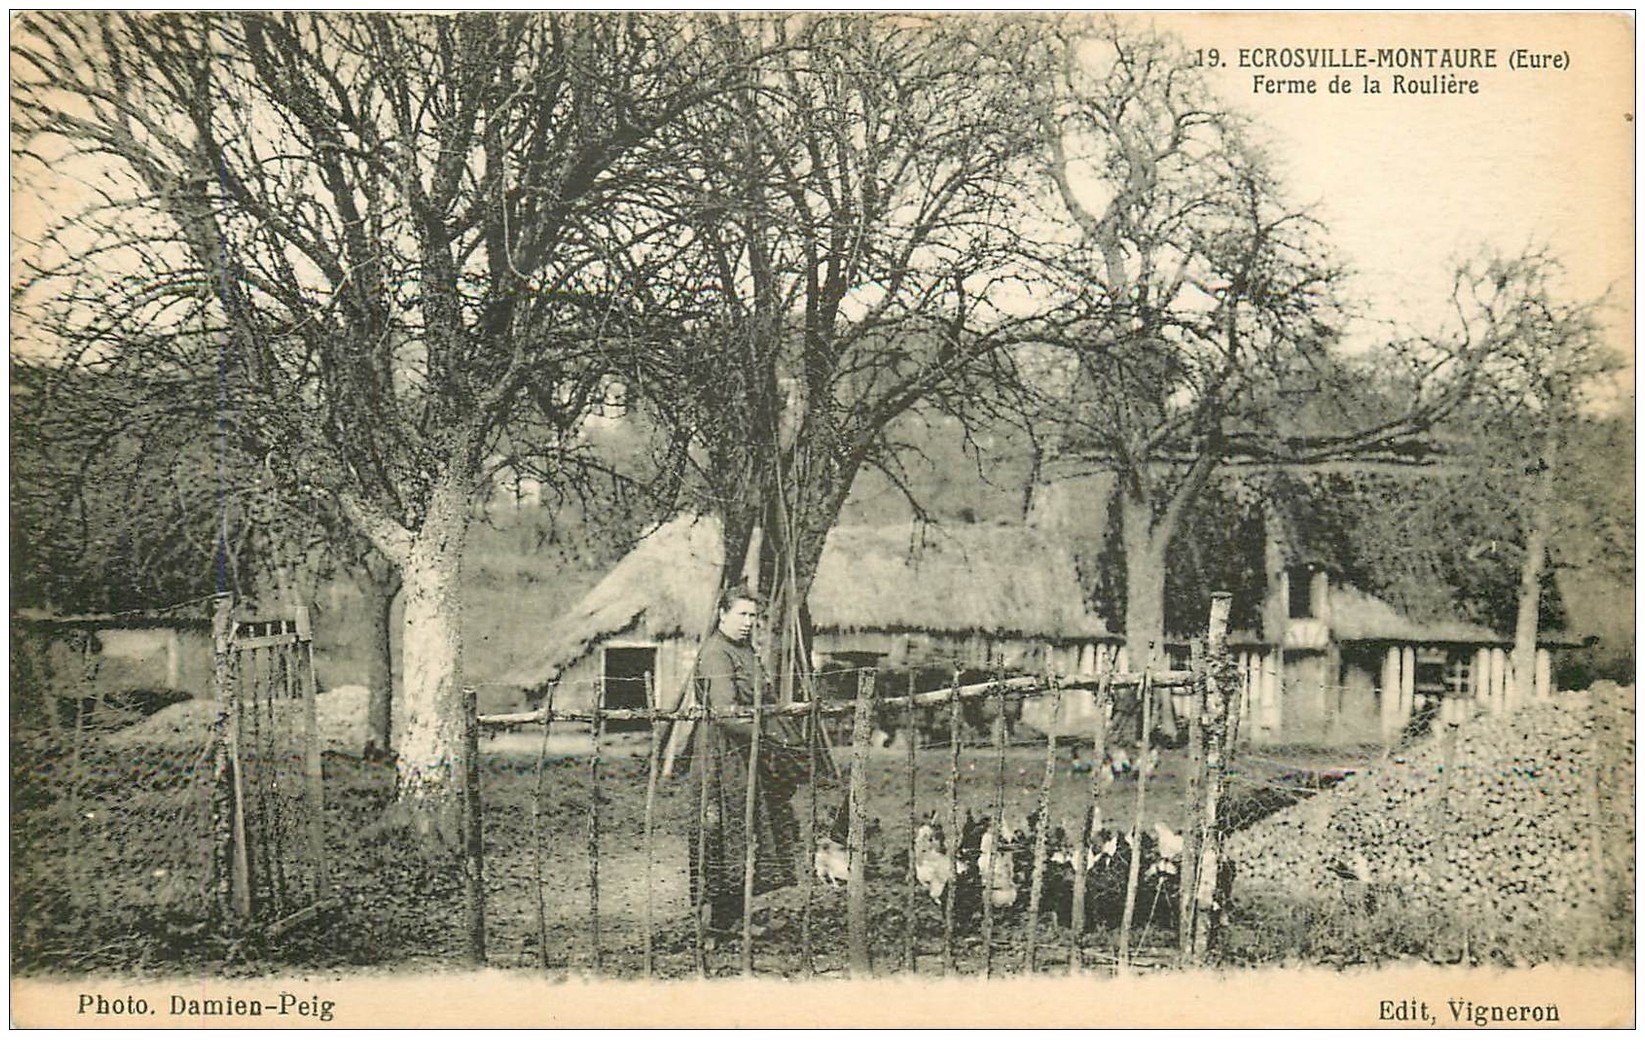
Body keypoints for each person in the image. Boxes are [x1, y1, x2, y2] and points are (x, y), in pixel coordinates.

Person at [678, 586, 807, 939]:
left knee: (748, 826)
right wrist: (769, 737)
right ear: (722, 614)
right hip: (723, 754)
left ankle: (737, 915)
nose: (749, 622)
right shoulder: (716, 653)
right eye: (742, 614)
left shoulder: (745, 651)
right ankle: (723, 920)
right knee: (725, 828)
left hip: (746, 751)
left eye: (753, 616)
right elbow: (726, 712)